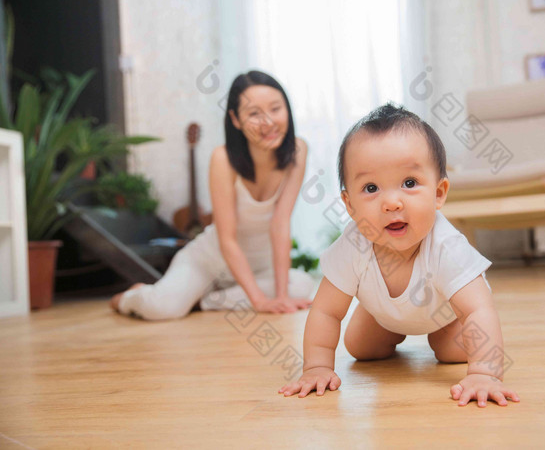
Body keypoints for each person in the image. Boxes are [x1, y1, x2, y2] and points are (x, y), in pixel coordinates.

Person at [279, 104, 520, 407]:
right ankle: (381, 316)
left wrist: (485, 373)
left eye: (409, 183)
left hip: (445, 314)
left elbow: (478, 310)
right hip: (382, 315)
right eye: (371, 188)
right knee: (360, 348)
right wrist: (316, 367)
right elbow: (326, 311)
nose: (392, 202)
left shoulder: (446, 246)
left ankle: (441, 333)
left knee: (453, 352)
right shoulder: (353, 245)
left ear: (439, 193)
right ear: (349, 204)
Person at [110, 71, 315, 320]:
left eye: (275, 109)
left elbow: (280, 224)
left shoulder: (298, 150)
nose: (268, 122)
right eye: (254, 114)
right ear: (235, 120)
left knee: (302, 284)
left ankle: (202, 301)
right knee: (161, 310)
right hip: (209, 262)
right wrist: (259, 301)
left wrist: (281, 296)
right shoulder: (223, 158)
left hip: (259, 266)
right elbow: (227, 238)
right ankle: (133, 296)